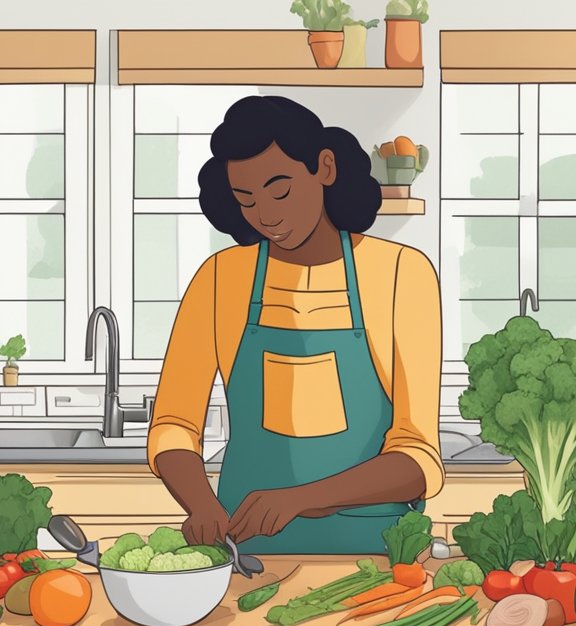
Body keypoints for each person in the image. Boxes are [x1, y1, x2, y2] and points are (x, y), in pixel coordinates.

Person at [147, 95, 443, 555]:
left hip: (378, 554)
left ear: (324, 168)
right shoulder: (221, 278)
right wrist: (201, 504)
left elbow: (419, 457)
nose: (266, 215)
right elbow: (173, 426)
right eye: (247, 200)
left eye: (280, 191)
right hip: (247, 554)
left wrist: (305, 499)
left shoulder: (403, 274)